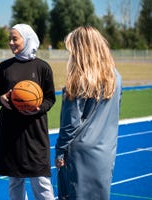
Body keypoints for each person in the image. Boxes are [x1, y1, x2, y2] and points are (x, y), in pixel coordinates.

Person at [55, 26, 122, 200]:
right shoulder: (116, 77)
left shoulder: (79, 78)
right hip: (106, 150)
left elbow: (71, 122)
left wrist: (60, 150)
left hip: (79, 152)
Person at [0, 24, 56, 200]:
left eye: (15, 38)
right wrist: (1, 99)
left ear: (27, 39)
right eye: (10, 39)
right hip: (10, 130)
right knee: (14, 181)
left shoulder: (42, 67)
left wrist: (38, 108)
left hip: (34, 131)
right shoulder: (4, 67)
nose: (11, 42)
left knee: (41, 180)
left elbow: (51, 98)